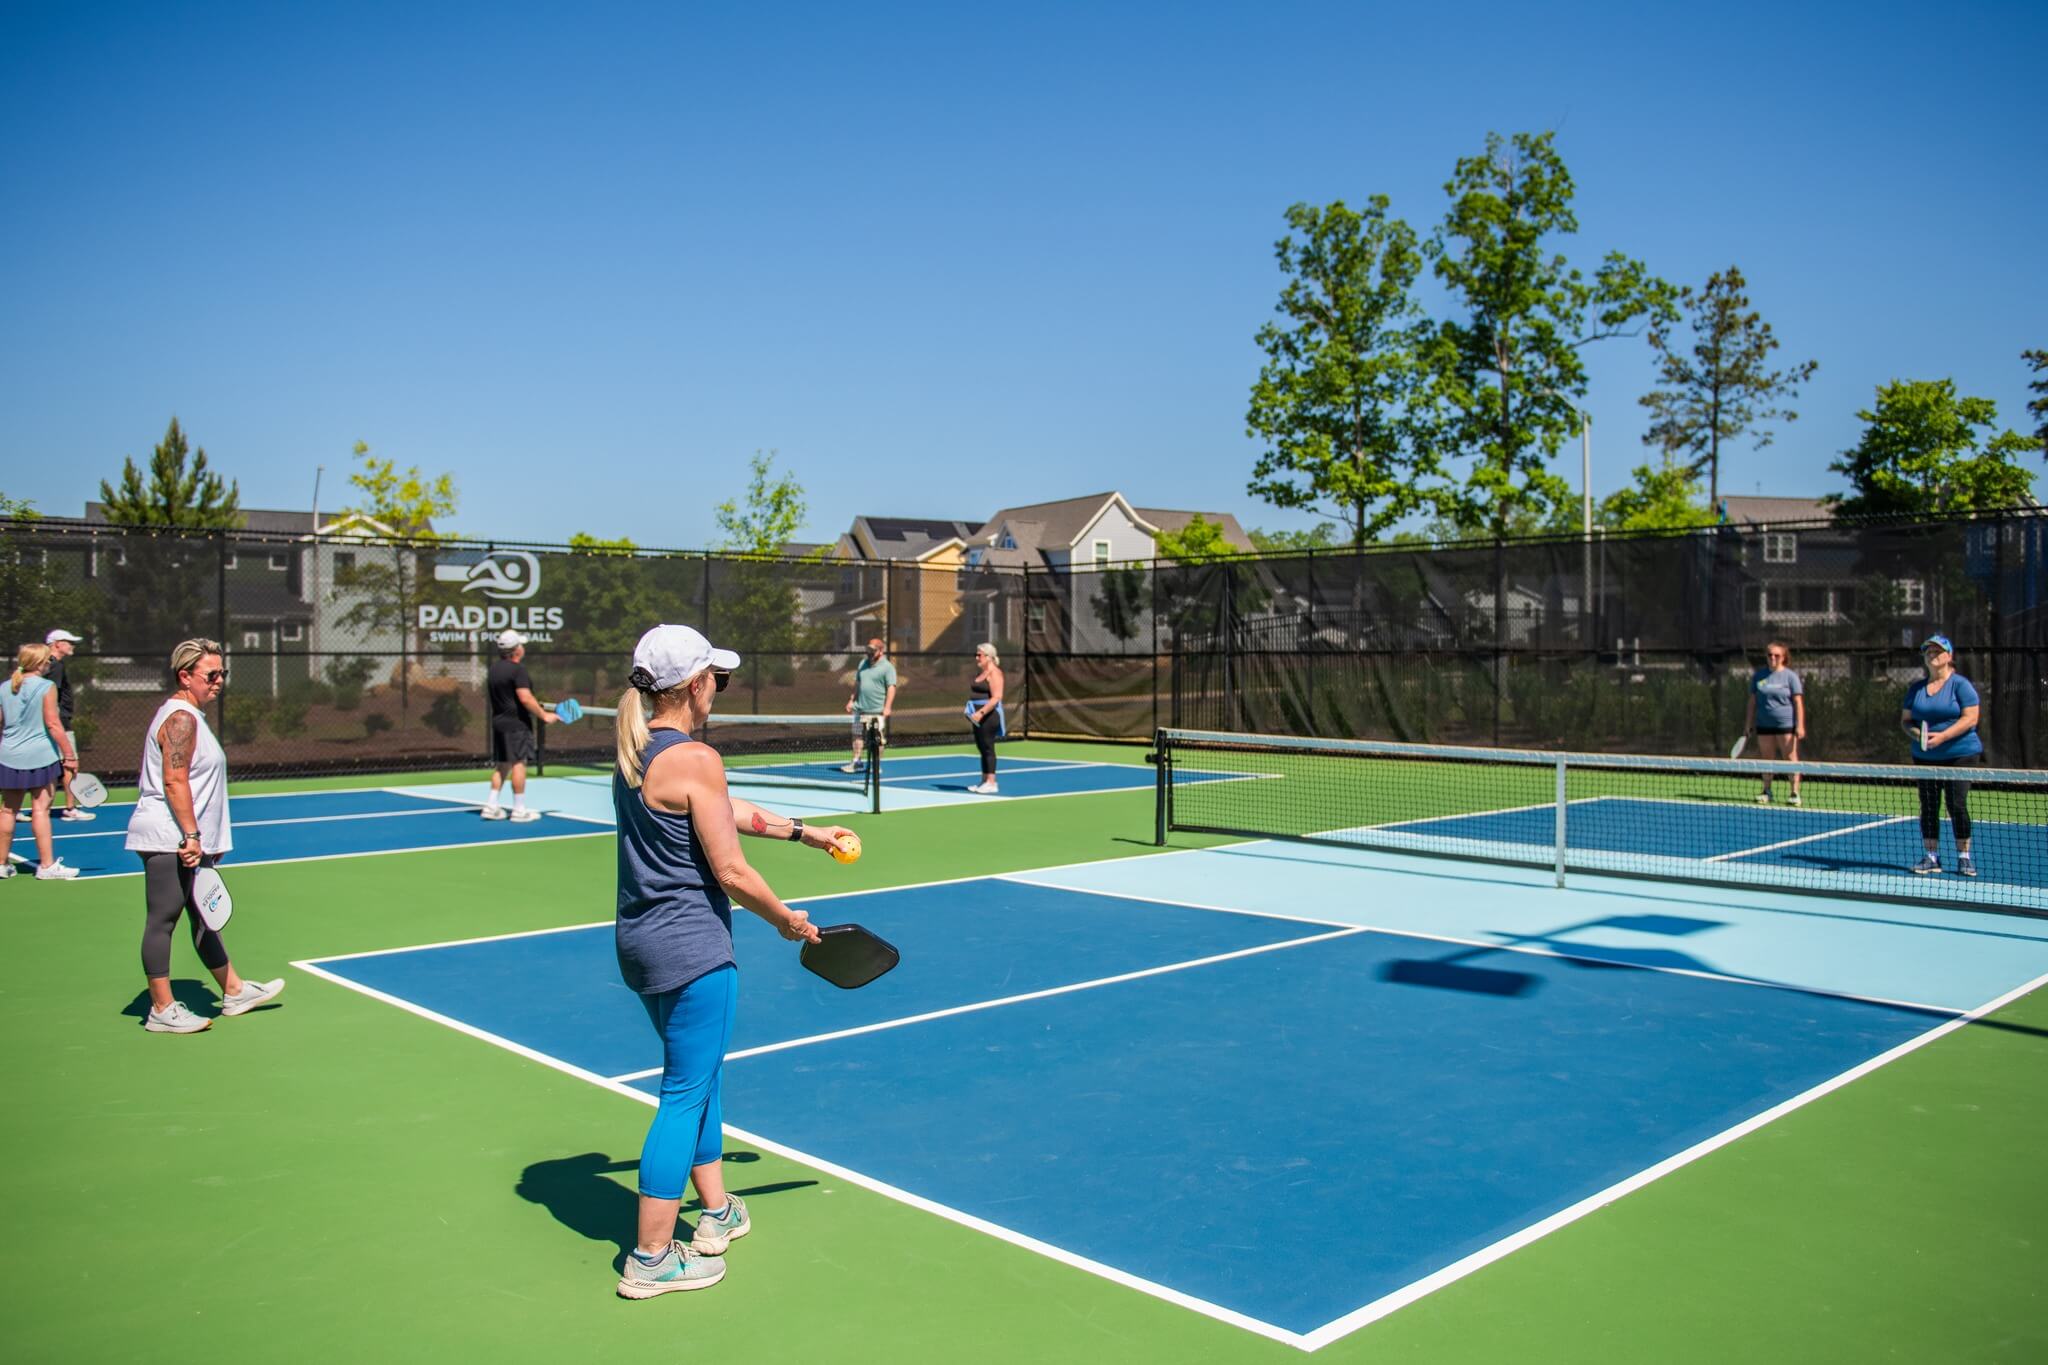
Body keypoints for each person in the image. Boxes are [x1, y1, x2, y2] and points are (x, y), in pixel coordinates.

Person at [610, 623, 849, 1300]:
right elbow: (733, 871)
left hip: (643, 944)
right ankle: (653, 1255)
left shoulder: (637, 750)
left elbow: (726, 811)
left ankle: (715, 1213)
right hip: (691, 948)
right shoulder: (695, 756)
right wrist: (786, 920)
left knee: (699, 1073)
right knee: (683, 1092)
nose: (720, 686)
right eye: (717, 676)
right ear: (695, 684)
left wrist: (808, 833)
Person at [126, 639, 285, 1033]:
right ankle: (161, 1009)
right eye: (210, 675)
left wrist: (207, 842)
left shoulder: (192, 716)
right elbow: (174, 779)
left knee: (203, 918)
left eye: (222, 674)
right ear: (185, 676)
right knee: (163, 920)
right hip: (171, 837)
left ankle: (233, 990)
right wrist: (192, 836)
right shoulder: (180, 719)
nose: (218, 681)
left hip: (188, 839)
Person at [1901, 632, 1983, 878]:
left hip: (1961, 754)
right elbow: (1906, 721)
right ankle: (1931, 856)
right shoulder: (1916, 688)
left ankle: (1964, 858)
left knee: (1956, 804)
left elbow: (1971, 718)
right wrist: (1918, 735)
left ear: (1949, 656)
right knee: (1929, 806)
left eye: (1937, 651)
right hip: (1925, 756)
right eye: (1928, 651)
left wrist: (1943, 737)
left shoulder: (1961, 685)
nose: (1932, 655)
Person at [0, 643, 81, 881]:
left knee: (7, 810)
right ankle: (46, 867)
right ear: (39, 663)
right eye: (47, 661)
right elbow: (54, 725)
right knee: (41, 811)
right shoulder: (47, 687)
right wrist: (70, 755)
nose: (49, 665)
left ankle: (1, 864)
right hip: (41, 756)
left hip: (9, 756)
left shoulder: (5, 687)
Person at [483, 629, 559, 822]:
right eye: (521, 645)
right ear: (516, 650)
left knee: (502, 765)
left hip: (499, 724)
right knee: (519, 764)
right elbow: (525, 698)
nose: (523, 648)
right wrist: (543, 715)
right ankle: (518, 809)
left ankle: (491, 806)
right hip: (516, 725)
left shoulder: (493, 670)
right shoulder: (518, 670)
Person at [1744, 641, 1805, 807]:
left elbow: (1798, 702)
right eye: (1769, 655)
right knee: (1767, 759)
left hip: (1785, 724)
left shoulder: (1790, 677)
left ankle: (1794, 793)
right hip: (1764, 725)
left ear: (1783, 657)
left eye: (1776, 655)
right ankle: (1767, 791)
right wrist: (1748, 724)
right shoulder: (1759, 676)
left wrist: (1800, 725)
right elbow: (1752, 702)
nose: (1772, 658)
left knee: (1790, 758)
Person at [45, 628, 90, 822]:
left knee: (50, 766)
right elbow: (50, 694)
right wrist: (55, 721)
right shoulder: (55, 666)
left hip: (55, 720)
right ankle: (70, 808)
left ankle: (37, 808)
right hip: (59, 721)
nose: (72, 645)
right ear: (57, 644)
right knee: (71, 765)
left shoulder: (49, 665)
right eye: (68, 642)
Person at [839, 637, 895, 774]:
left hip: (877, 711)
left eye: (872, 650)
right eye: (868, 650)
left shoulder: (887, 667)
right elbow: (858, 685)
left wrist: (887, 707)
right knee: (857, 735)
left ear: (881, 651)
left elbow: (891, 688)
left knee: (877, 740)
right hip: (859, 709)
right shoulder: (862, 664)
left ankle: (876, 764)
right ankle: (857, 762)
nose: (869, 653)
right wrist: (852, 700)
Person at [966, 641, 1005, 795]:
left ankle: (992, 782)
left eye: (979, 655)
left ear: (989, 657)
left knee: (988, 747)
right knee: (981, 747)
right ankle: (984, 781)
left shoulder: (995, 673)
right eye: (976, 654)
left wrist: (981, 712)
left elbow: (996, 697)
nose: (977, 657)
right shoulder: (981, 672)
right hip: (977, 717)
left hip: (988, 716)